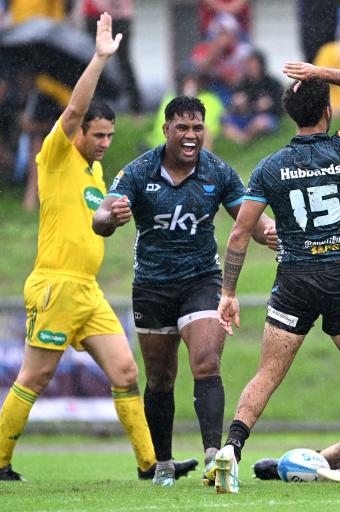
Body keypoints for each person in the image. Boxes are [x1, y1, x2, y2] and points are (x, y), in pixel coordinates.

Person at [0, 13, 196, 483]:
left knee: (126, 372)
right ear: (78, 133)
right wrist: (100, 57)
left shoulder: (95, 173)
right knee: (34, 378)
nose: (106, 142)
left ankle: (151, 466)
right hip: (55, 286)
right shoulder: (58, 154)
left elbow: (96, 225)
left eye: (110, 135)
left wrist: (110, 219)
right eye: (98, 135)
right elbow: (72, 111)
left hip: (87, 292)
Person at [210, 61, 340, 494]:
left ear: (291, 114)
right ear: (327, 111)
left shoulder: (270, 166)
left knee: (267, 374)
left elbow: (238, 232)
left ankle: (231, 450)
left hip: (294, 279)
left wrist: (228, 293)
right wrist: (322, 71)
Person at [92, 95, 275, 486]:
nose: (191, 136)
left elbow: (249, 218)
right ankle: (163, 465)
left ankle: (214, 458)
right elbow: (100, 217)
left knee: (207, 363)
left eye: (197, 128)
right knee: (160, 378)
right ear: (166, 130)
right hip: (153, 286)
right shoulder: (139, 170)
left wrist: (269, 232)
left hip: (201, 280)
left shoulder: (218, 172)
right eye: (183, 128)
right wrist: (111, 217)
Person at [82, 1, 142, 113]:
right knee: (94, 63)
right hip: (96, 16)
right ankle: (92, 107)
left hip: (118, 16)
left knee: (124, 62)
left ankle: (136, 108)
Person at [222, 50, 283, 145]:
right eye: (250, 65)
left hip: (265, 116)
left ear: (262, 65)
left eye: (255, 65)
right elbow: (232, 109)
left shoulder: (272, 83)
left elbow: (281, 107)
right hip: (246, 116)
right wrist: (238, 104)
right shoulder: (243, 84)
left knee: (261, 122)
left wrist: (270, 105)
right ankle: (244, 139)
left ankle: (246, 138)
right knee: (227, 127)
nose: (252, 68)